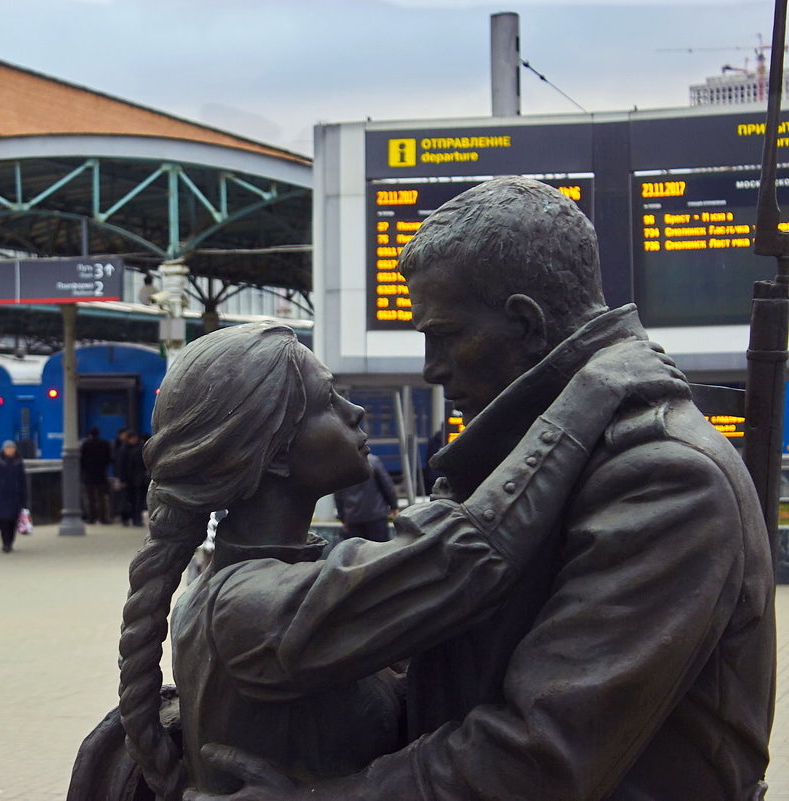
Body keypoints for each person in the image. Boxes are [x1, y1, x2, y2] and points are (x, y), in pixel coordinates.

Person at [183, 177, 775, 801]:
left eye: (442, 334)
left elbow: (544, 755)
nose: (431, 368)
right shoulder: (535, 458)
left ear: (525, 323)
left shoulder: (657, 475)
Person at [85, 319, 684, 801]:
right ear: (273, 454)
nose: (356, 412)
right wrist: (590, 392)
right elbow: (464, 558)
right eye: (328, 401)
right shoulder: (242, 608)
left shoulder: (285, 578)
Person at [333, 449, 397, 543]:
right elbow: (387, 486)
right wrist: (394, 506)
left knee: (358, 553)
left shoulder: (341, 465)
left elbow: (338, 495)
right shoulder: (373, 461)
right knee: (380, 551)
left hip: (353, 518)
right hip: (376, 515)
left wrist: (343, 517)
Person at [0, 439, 28, 553]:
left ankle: (10, 542)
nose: (10, 451)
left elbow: (22, 481)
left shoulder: (18, 462)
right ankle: (5, 543)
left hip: (15, 497)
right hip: (1, 497)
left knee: (13, 522)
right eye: (8, 448)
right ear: (4, 450)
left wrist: (24, 498)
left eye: (12, 448)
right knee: (3, 521)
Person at [80, 427, 112, 524]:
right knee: (102, 498)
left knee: (90, 498)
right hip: (101, 475)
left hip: (88, 476)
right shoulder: (104, 444)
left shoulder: (85, 445)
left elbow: (81, 460)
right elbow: (108, 458)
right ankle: (103, 518)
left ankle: (91, 518)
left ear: (90, 435)